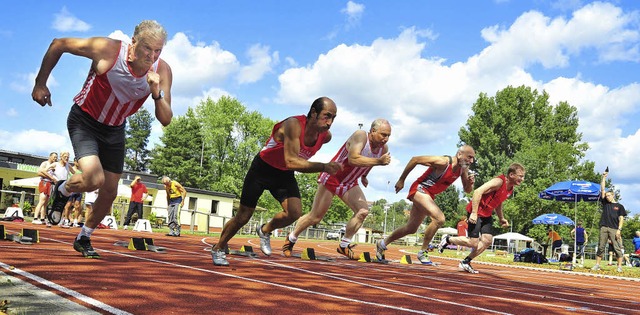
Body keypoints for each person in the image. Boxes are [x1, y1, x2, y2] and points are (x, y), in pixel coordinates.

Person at [32, 20, 173, 258]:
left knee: (109, 192)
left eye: (158, 50)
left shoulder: (161, 71)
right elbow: (59, 44)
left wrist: (156, 92)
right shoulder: (108, 50)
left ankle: (84, 236)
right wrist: (40, 83)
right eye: (147, 48)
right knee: (94, 178)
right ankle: (63, 188)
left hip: (115, 129)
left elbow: (166, 119)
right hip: (85, 120)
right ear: (134, 42)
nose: (152, 56)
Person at [211, 97, 340, 266]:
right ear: (314, 113)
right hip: (262, 169)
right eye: (327, 116)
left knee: (294, 213)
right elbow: (292, 161)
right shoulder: (294, 125)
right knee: (243, 216)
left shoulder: (325, 137)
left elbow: (290, 165)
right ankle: (219, 248)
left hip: (284, 175)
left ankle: (265, 230)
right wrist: (323, 167)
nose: (330, 122)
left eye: (333, 118)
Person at [283, 119, 391, 259]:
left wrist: (364, 175)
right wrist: (379, 161)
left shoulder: (384, 149)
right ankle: (290, 239)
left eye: (388, 135)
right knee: (315, 217)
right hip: (333, 177)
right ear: (373, 131)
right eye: (383, 134)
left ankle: (344, 245)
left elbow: (370, 163)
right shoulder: (360, 136)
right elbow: (353, 159)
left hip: (350, 182)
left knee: (362, 211)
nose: (386, 139)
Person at [376, 145, 476, 264]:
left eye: (473, 158)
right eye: (469, 157)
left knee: (411, 228)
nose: (471, 161)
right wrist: (401, 180)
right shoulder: (443, 162)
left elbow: (467, 190)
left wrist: (470, 183)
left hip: (429, 195)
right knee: (439, 218)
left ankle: (382, 243)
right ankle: (423, 251)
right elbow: (415, 159)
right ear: (459, 154)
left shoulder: (462, 169)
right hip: (419, 190)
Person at [437, 163, 525, 273]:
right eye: (520, 176)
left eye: (523, 176)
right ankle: (447, 239)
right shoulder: (499, 181)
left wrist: (501, 218)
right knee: (473, 243)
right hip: (476, 212)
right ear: (511, 174)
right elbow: (477, 191)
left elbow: (498, 203)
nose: (522, 179)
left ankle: (466, 262)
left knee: (487, 240)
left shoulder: (510, 189)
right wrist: (474, 213)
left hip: (487, 214)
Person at [591, 170, 627, 272]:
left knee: (617, 247)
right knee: (601, 246)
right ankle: (597, 265)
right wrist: (603, 177)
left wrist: (619, 230)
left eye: (609, 195)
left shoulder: (619, 206)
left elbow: (621, 219)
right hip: (604, 227)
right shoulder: (605, 203)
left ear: (613, 195)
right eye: (606, 196)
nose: (607, 197)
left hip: (614, 229)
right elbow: (602, 189)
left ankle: (619, 266)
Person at [32, 152, 58, 225]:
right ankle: (35, 218)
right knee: (42, 200)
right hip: (44, 182)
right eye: (54, 157)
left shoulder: (55, 165)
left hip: (51, 184)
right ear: (50, 156)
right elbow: (39, 173)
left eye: (56, 157)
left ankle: (42, 218)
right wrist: (51, 177)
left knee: (46, 203)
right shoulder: (45, 163)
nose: (55, 159)